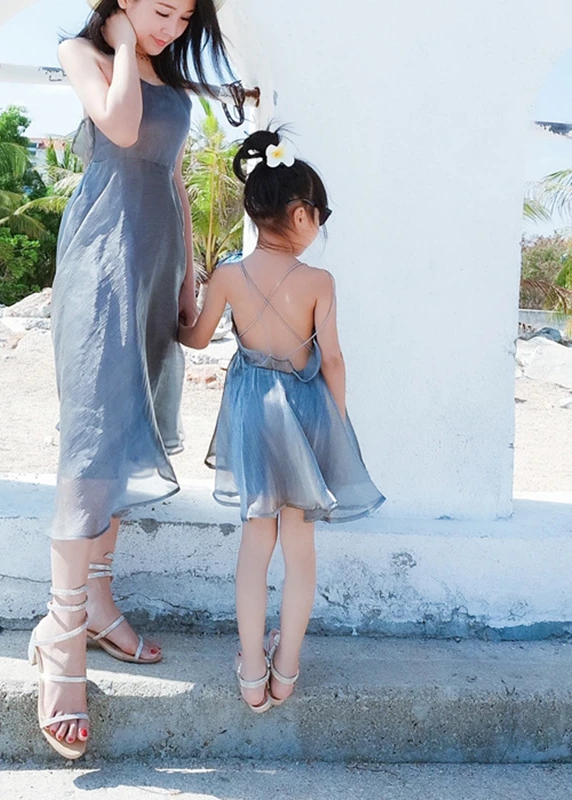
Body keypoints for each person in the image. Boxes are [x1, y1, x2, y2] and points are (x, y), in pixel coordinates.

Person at [26, 0, 234, 760]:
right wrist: (116, 40)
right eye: (158, 10)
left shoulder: (167, 74)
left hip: (154, 270)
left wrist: (186, 278)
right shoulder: (85, 53)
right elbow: (117, 129)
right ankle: (63, 628)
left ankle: (102, 598)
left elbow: (172, 179)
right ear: (120, 1)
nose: (171, 27)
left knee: (129, 430)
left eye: (184, 17)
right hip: (103, 261)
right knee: (92, 437)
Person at [179, 129, 385, 713]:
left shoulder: (226, 274)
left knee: (254, 541)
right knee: (300, 547)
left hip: (250, 413)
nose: (318, 225)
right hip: (305, 414)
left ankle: (250, 674)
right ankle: (286, 670)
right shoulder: (319, 282)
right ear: (299, 213)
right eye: (319, 214)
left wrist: (179, 314)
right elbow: (335, 359)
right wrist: (335, 425)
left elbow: (196, 338)